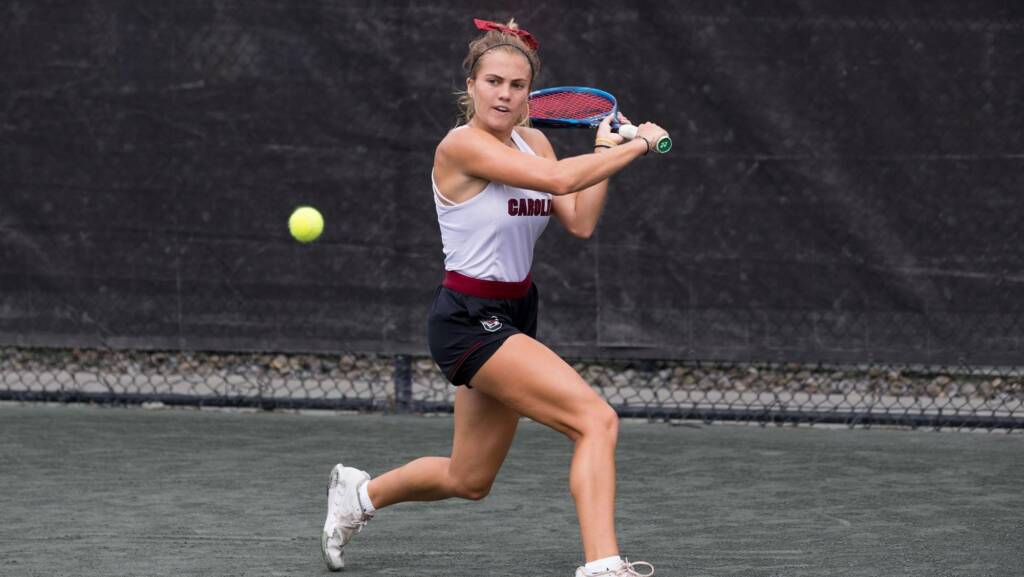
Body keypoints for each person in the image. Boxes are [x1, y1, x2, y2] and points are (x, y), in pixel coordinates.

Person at [321, 17, 666, 577]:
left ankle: (358, 497)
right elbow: (559, 184)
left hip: (514, 311)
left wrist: (604, 150)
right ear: (472, 86)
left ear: (531, 94)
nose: (504, 95)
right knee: (595, 420)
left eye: (517, 85)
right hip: (468, 316)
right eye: (493, 82)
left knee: (469, 478)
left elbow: (577, 218)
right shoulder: (460, 146)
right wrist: (637, 147)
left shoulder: (536, 142)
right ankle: (604, 566)